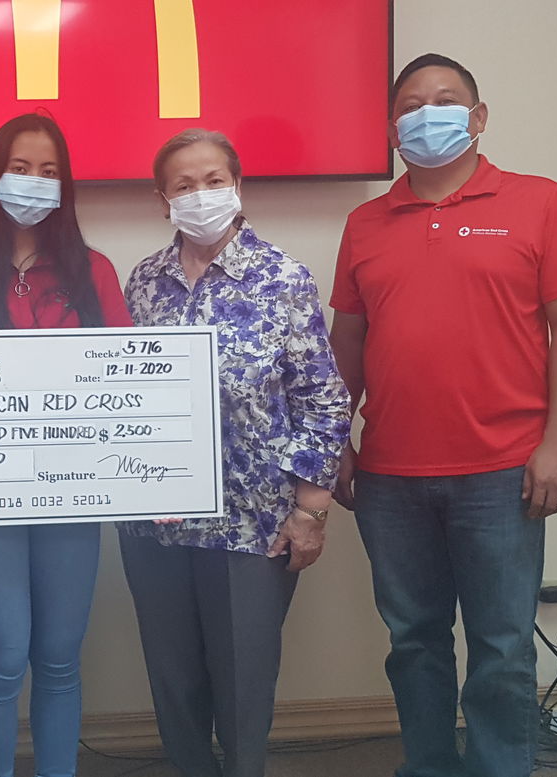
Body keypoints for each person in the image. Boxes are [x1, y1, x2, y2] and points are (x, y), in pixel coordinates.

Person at [329, 54, 557, 777]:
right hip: (389, 477)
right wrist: (335, 439)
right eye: (412, 105)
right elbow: (347, 342)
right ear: (393, 130)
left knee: (502, 646)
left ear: (478, 119)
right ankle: (428, 765)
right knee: (413, 641)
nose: (428, 114)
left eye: (446, 100)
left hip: (504, 470)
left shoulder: (539, 201)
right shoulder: (364, 224)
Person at [118, 129, 351, 777]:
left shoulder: (282, 279)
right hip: (155, 522)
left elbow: (323, 401)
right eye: (185, 184)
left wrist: (312, 508)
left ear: (238, 186)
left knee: (244, 688)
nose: (201, 195)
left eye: (214, 180)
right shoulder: (143, 283)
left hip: (254, 524)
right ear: (162, 198)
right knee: (174, 684)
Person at [0, 113, 133, 777]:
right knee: (5, 654)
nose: (34, 182)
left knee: (61, 656)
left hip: (72, 493)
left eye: (48, 171)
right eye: (20, 168)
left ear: (65, 185)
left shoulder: (94, 271)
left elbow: (130, 383)